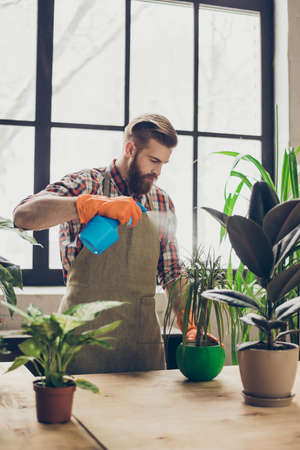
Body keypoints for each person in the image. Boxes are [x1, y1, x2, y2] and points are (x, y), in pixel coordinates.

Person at [14, 113, 215, 374]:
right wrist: (89, 204)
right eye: (153, 160)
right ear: (130, 148)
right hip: (82, 341)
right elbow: (23, 216)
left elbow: (173, 273)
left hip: (141, 347)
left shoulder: (161, 202)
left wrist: (190, 323)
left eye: (163, 163)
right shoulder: (87, 183)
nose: (158, 171)